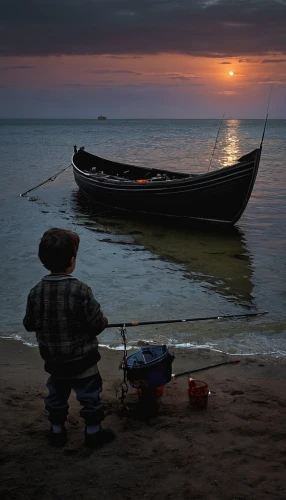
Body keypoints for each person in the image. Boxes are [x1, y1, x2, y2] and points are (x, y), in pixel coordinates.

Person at [23, 227, 115, 449]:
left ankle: (56, 431)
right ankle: (93, 433)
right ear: (72, 260)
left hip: (54, 361)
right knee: (90, 396)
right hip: (83, 360)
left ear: (43, 260)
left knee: (56, 396)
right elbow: (98, 324)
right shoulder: (81, 290)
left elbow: (29, 324)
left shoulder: (36, 292)